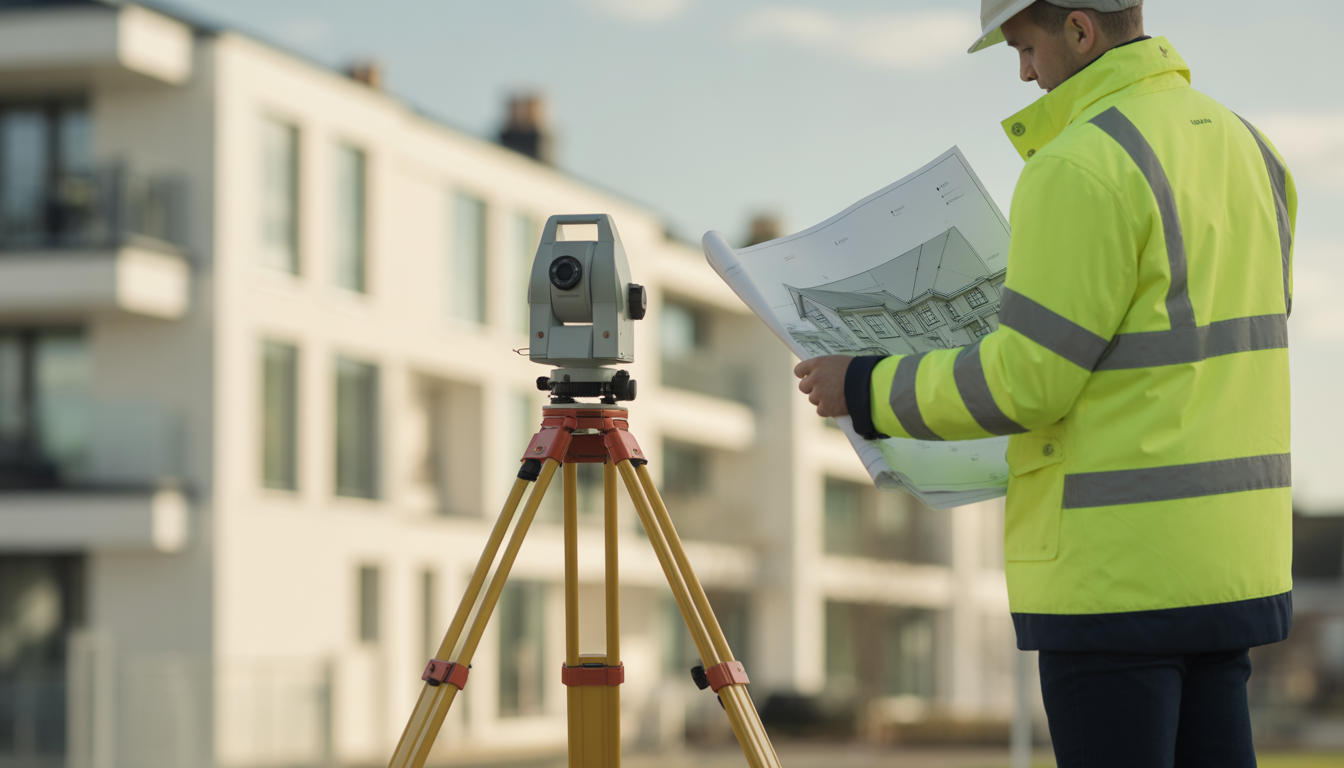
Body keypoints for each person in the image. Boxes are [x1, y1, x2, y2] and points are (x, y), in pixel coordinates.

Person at [794, 1, 1295, 766]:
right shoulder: (1252, 150)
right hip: (1230, 568)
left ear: (1080, 31)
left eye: (1024, 48)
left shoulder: (1081, 164)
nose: (1025, 72)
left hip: (1115, 577)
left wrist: (862, 387)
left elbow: (1027, 383)